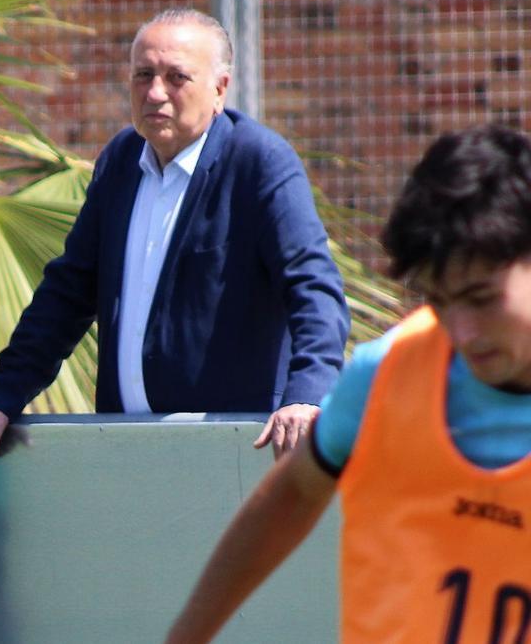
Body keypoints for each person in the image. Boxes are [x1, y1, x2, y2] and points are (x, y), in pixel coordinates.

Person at [165, 123, 531, 643]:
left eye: (481, 298)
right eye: (440, 301)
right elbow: (291, 493)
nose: (463, 332)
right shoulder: (386, 373)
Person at [0, 8, 349, 457]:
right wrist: (2, 393)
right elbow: (66, 296)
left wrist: (307, 396)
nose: (155, 92)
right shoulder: (122, 161)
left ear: (219, 89)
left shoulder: (258, 163)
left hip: (236, 447)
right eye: (143, 75)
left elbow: (315, 290)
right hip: (129, 444)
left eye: (176, 77)